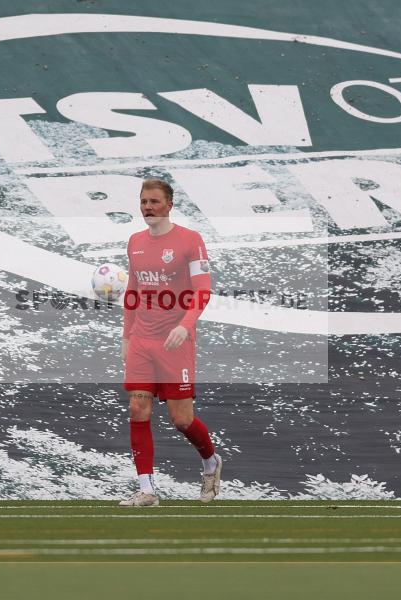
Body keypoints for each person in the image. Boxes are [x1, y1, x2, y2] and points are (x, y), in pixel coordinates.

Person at [119, 178, 220, 507]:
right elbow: (133, 292)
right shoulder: (134, 242)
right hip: (141, 341)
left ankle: (210, 463)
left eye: (154, 202)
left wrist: (185, 325)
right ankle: (147, 490)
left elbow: (202, 290)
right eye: (143, 201)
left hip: (176, 342)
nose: (148, 207)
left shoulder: (190, 240)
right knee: (137, 408)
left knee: (181, 420)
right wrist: (126, 335)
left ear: (169, 205)